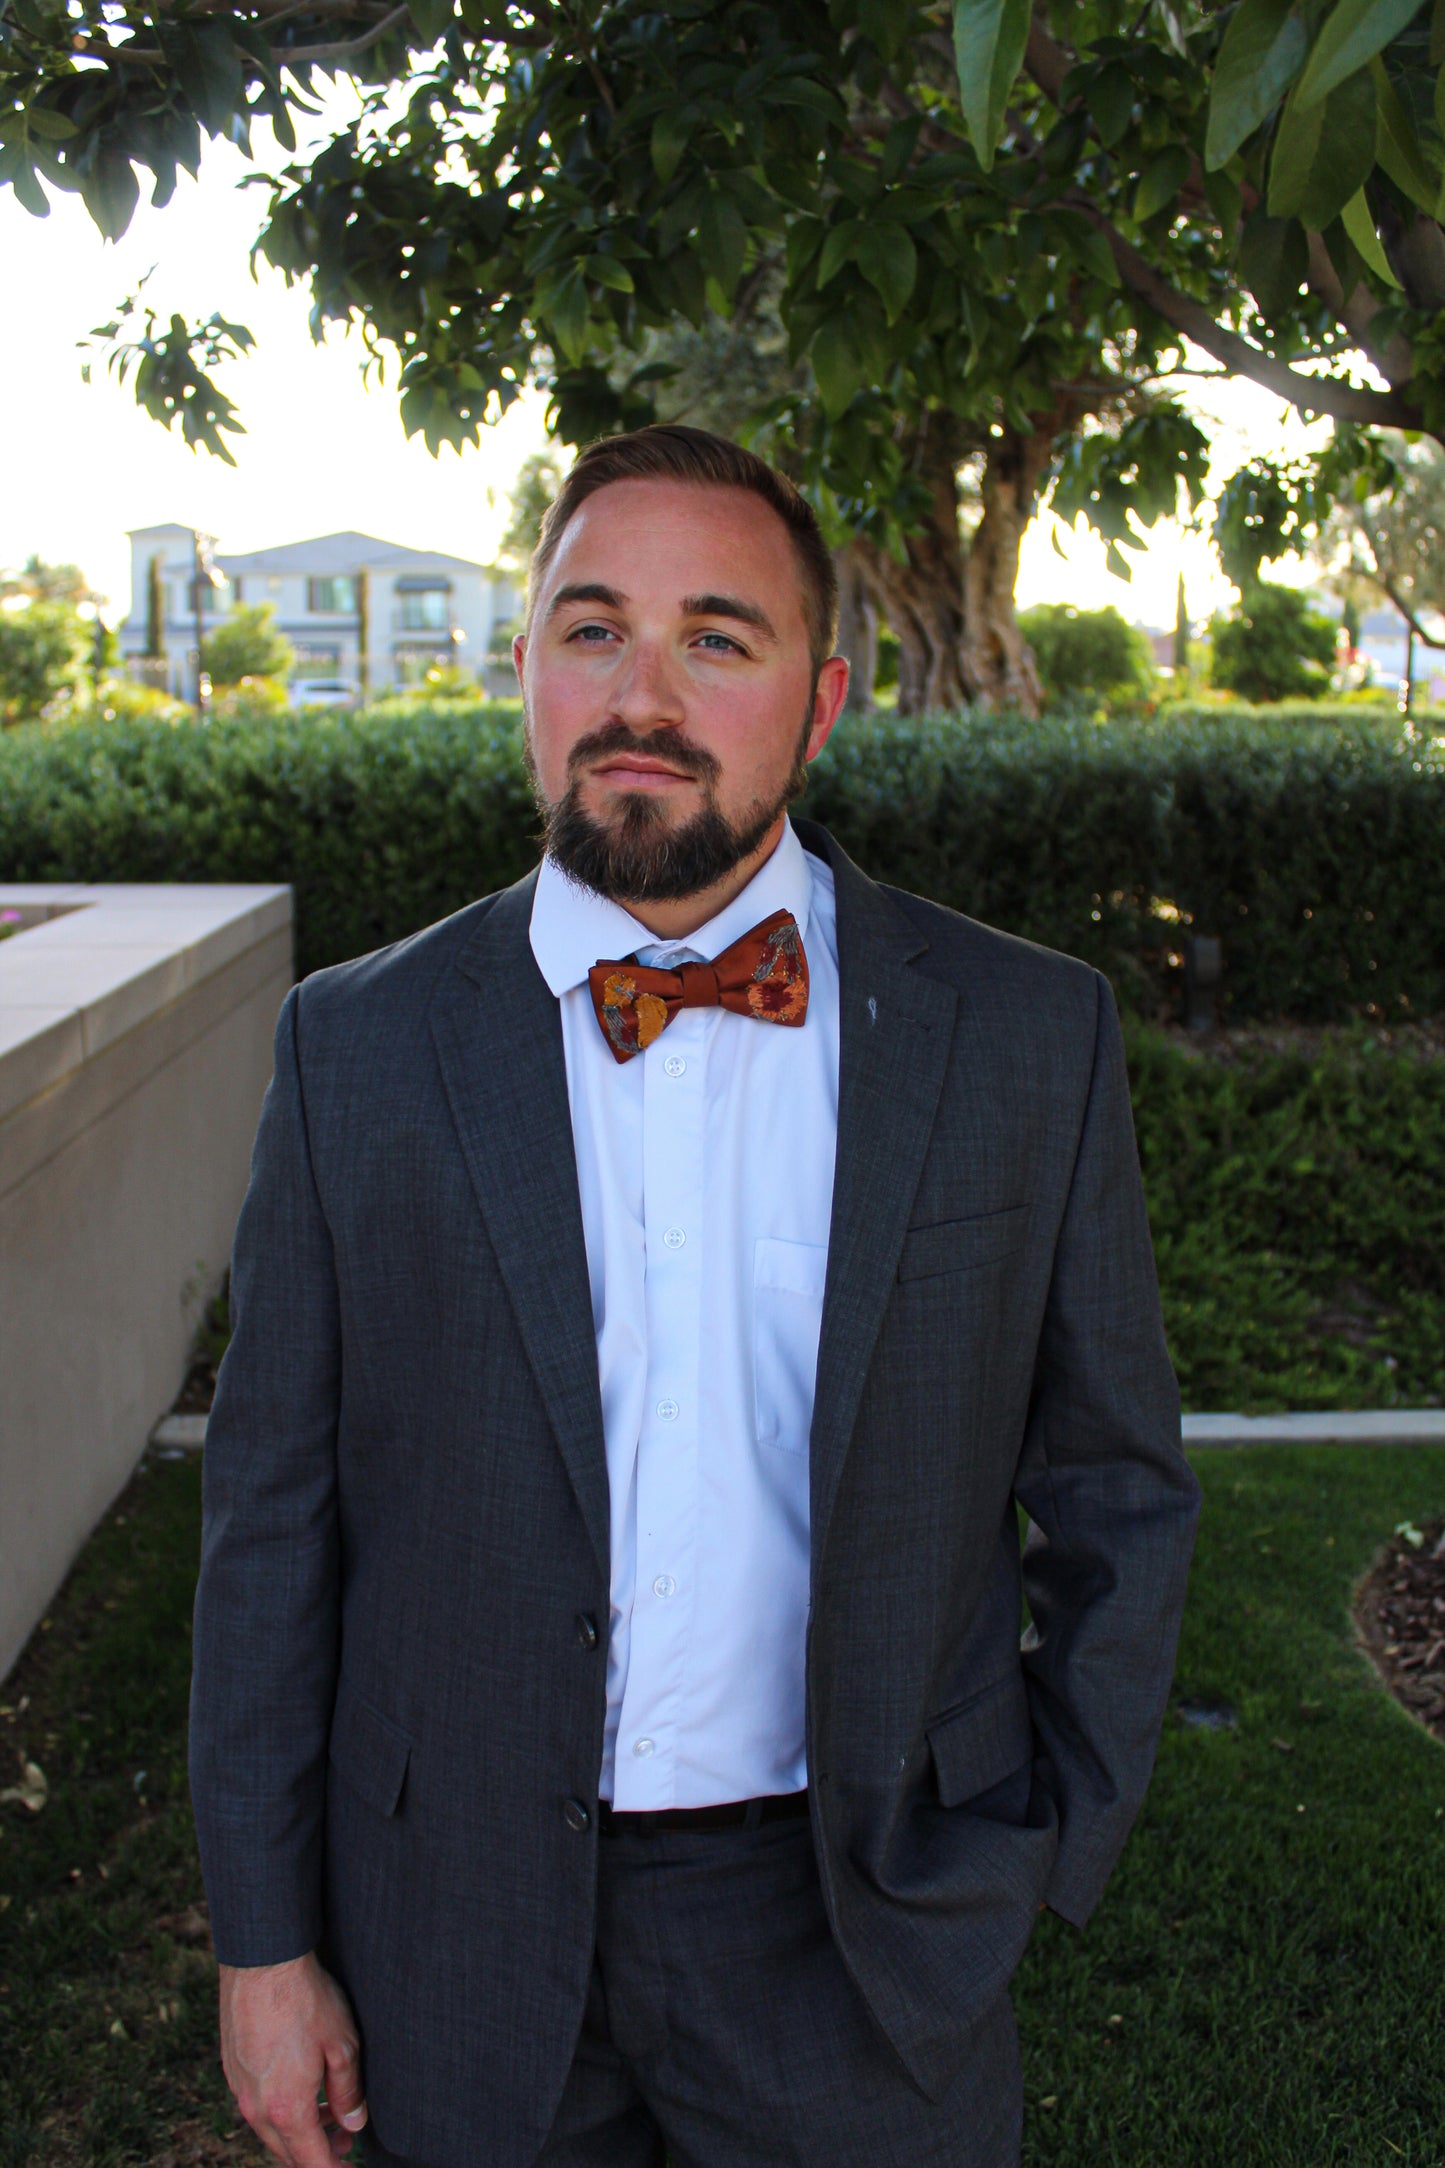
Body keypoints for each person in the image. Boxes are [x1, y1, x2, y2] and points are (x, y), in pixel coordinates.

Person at [189, 424, 1200, 2168]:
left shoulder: (1023, 1036)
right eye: (591, 629)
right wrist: (265, 1947)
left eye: (714, 639)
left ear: (817, 703)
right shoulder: (357, 1047)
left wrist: (1036, 1849)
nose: (638, 695)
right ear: (524, 668)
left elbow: (1117, 1486)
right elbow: (269, 1525)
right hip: (454, 1919)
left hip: (863, 1924)